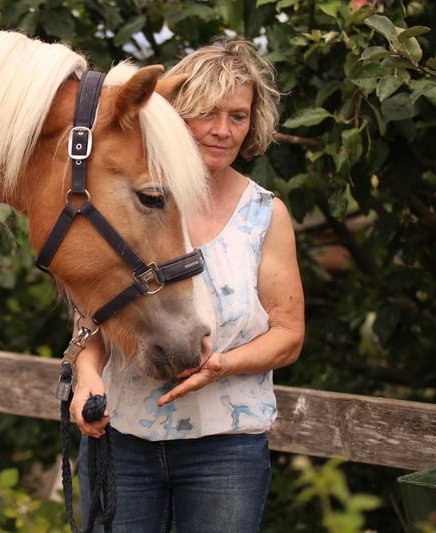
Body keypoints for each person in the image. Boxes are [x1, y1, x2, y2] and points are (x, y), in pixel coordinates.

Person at [70, 38, 305, 533]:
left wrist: (222, 366)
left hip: (225, 450)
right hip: (122, 439)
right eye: (206, 113)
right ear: (175, 116)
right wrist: (86, 375)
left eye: (238, 116)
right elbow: (93, 317)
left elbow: (288, 335)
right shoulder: (136, 199)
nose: (223, 130)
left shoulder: (265, 215)